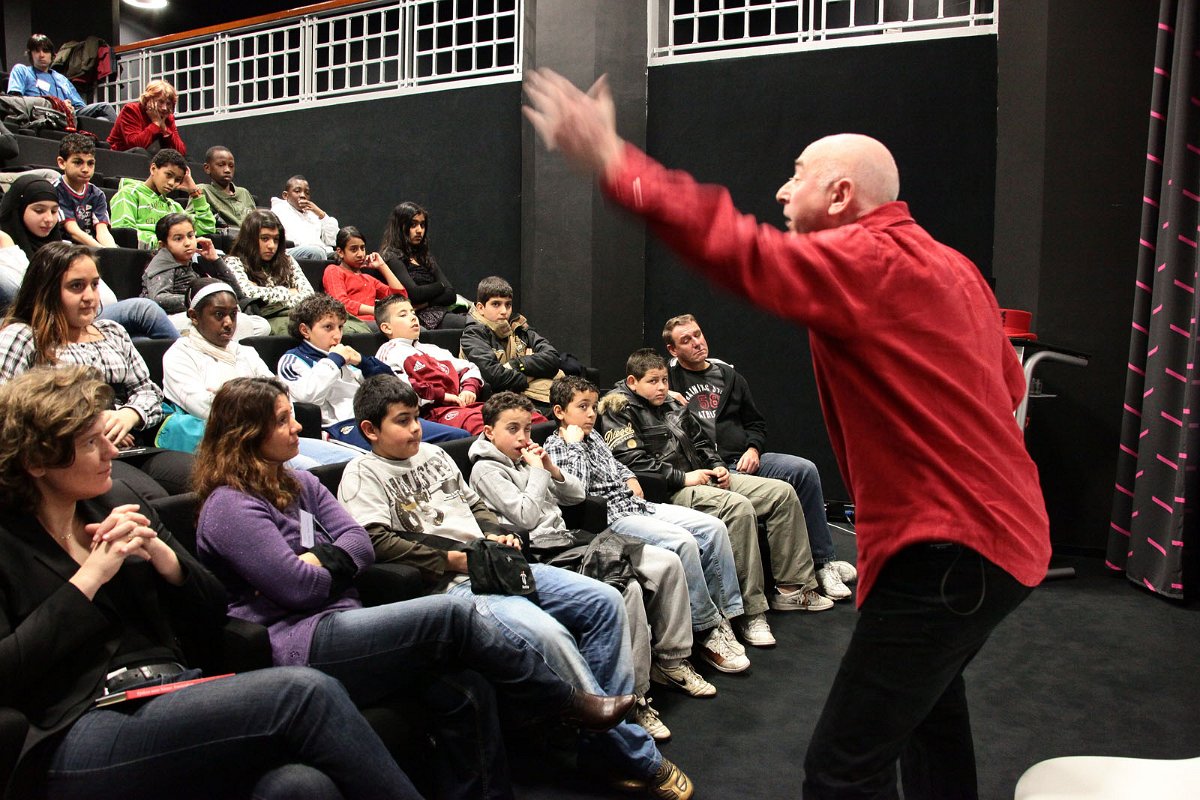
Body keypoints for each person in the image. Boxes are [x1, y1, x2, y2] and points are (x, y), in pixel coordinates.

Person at [522, 68, 1051, 799]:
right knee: (927, 716)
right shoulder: (952, 265)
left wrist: (617, 162)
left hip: (948, 553)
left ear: (840, 196)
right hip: (1006, 539)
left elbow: (741, 251)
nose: (780, 190)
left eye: (795, 175)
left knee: (841, 772)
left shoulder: (865, 259)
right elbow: (1010, 387)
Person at [192, 375, 635, 800]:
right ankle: (561, 699)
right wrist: (333, 561)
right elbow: (299, 590)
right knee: (453, 614)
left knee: (467, 689)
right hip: (300, 638)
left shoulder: (301, 481)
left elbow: (359, 544)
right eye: (284, 419)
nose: (297, 426)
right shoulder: (230, 505)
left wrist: (324, 560)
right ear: (247, 432)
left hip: (350, 618)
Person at [0, 365, 423, 800]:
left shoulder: (118, 501)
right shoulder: (7, 542)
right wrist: (88, 578)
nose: (112, 450)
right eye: (91, 442)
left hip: (171, 687)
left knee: (300, 786)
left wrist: (166, 559)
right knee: (304, 692)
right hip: (76, 726)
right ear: (35, 460)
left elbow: (212, 609)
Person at [338, 374, 693, 798]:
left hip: (496, 563)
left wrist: (493, 532)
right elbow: (374, 541)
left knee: (605, 600)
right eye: (402, 421)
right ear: (370, 430)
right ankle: (633, 755)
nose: (415, 428)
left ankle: (599, 745)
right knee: (551, 634)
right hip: (451, 587)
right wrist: (451, 558)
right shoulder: (362, 472)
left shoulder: (435, 454)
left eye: (416, 417)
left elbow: (475, 506)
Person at [469, 390, 696, 741]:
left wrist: (548, 466)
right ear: (489, 432)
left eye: (528, 430)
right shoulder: (485, 469)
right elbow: (526, 518)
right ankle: (636, 697)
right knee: (627, 588)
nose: (523, 438)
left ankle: (673, 659)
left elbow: (575, 495)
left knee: (665, 562)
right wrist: (536, 473)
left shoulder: (526, 460)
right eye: (512, 429)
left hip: (570, 540)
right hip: (541, 552)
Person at [598, 349, 833, 648]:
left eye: (664, 379)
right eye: (652, 381)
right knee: (738, 508)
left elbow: (700, 441)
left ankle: (791, 589)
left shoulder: (672, 402)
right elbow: (633, 461)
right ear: (633, 382)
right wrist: (682, 477)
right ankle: (751, 612)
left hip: (704, 476)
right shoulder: (617, 410)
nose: (661, 387)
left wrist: (715, 464)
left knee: (781, 493)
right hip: (672, 490)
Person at [544, 375, 748, 683]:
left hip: (638, 506)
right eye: (582, 407)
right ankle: (707, 628)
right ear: (560, 412)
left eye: (593, 407)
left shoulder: (594, 437)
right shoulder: (557, 445)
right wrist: (573, 445)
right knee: (683, 542)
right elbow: (577, 490)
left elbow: (615, 464)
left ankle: (727, 618)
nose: (590, 415)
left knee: (714, 527)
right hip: (614, 519)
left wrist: (630, 476)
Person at [664, 313, 858, 600]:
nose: (697, 343)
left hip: (740, 457)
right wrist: (665, 393)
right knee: (775, 492)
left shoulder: (730, 377)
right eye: (686, 340)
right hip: (706, 469)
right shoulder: (666, 380)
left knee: (803, 470)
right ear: (673, 349)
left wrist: (753, 449)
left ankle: (823, 563)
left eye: (698, 334)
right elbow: (631, 390)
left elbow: (755, 424)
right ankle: (791, 582)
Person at [0, 242, 190, 491]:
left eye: (94, 284)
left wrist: (128, 415)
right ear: (46, 290)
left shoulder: (113, 332)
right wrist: (90, 424)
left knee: (208, 478)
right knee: (144, 497)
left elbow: (149, 392)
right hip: (72, 453)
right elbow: (7, 409)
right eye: (76, 286)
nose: (90, 296)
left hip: (133, 443)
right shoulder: (23, 336)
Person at [160, 278, 361, 467]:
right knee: (312, 468)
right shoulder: (178, 355)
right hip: (228, 445)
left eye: (233, 314)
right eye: (219, 314)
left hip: (272, 434)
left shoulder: (245, 352)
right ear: (194, 316)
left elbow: (281, 393)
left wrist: (230, 395)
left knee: (354, 462)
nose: (229, 322)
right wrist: (262, 403)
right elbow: (207, 409)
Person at [278, 293, 468, 450]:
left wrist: (363, 362)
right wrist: (333, 361)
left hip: (380, 417)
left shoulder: (348, 356)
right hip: (341, 426)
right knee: (402, 450)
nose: (337, 335)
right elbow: (307, 397)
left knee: (459, 438)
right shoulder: (292, 360)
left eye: (340, 327)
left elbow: (392, 385)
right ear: (305, 330)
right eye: (328, 327)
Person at [0, 176, 177, 338]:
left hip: (89, 315)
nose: (48, 219)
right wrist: (7, 245)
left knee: (141, 331)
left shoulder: (66, 248)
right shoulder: (6, 252)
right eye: (39, 211)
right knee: (144, 309)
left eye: (54, 212)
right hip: (47, 320)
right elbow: (24, 294)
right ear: (18, 210)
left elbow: (107, 299)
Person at [376, 294, 529, 435]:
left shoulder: (433, 349)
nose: (412, 318)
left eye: (413, 313)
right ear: (386, 327)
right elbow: (399, 389)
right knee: (488, 426)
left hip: (463, 404)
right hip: (433, 412)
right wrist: (443, 396)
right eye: (403, 315)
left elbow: (469, 368)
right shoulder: (389, 352)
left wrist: (469, 389)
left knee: (524, 416)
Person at [142, 212, 270, 339]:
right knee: (242, 323)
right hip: (174, 318)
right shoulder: (162, 264)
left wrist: (215, 260)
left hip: (203, 313)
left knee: (262, 326)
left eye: (190, 236)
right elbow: (158, 299)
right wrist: (203, 301)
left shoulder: (196, 263)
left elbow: (237, 293)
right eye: (178, 238)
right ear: (163, 245)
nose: (187, 243)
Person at [460, 275, 564, 412]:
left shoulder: (519, 327)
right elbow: (495, 378)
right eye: (496, 304)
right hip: (500, 404)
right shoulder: (473, 334)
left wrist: (516, 364)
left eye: (508, 304)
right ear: (480, 308)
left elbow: (553, 358)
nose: (504, 311)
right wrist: (532, 373)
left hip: (531, 396)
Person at [223, 209, 317, 334]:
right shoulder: (234, 262)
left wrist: (269, 295)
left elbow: (309, 295)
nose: (272, 245)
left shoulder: (287, 260)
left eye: (276, 240)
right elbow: (249, 294)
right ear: (250, 239)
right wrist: (289, 292)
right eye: (265, 238)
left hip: (296, 317)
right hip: (265, 320)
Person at [379, 201, 469, 329]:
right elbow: (414, 294)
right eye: (413, 225)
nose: (419, 230)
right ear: (400, 227)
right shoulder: (391, 256)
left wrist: (426, 302)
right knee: (467, 325)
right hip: (415, 317)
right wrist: (440, 286)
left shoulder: (424, 257)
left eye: (422, 225)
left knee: (476, 323)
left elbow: (450, 295)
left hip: (437, 310)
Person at [109, 147, 216, 248]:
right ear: (153, 168)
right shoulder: (129, 194)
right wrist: (167, 245)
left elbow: (207, 228)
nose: (171, 183)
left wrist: (194, 192)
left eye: (178, 179)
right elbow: (124, 235)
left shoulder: (174, 206)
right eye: (168, 175)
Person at [6, 33, 117, 121]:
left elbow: (79, 106)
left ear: (52, 55)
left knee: (104, 112)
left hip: (68, 115)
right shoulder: (22, 70)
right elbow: (15, 101)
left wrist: (70, 107)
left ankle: (117, 145)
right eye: (37, 51)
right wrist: (58, 105)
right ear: (30, 54)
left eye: (45, 51)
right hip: (40, 113)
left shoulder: (61, 79)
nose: (41, 55)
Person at [323, 226, 407, 327]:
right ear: (340, 252)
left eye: (362, 248)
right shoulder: (333, 270)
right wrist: (376, 311)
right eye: (354, 249)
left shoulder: (368, 278)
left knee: (417, 329)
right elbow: (340, 304)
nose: (360, 254)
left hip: (376, 323)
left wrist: (382, 266)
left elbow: (400, 298)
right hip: (353, 323)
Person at [55, 133, 117, 249]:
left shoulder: (97, 194)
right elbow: (72, 230)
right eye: (78, 162)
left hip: (91, 247)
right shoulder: (56, 189)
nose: (85, 169)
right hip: (65, 247)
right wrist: (102, 251)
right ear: (62, 163)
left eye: (90, 163)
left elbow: (102, 230)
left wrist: (112, 252)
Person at [107, 79, 186, 154]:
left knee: (186, 159)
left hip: (148, 156)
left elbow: (181, 151)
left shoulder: (168, 118)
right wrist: (155, 123)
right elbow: (135, 146)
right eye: (160, 102)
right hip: (119, 155)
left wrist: (164, 127)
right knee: (140, 152)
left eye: (168, 104)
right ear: (149, 100)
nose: (164, 108)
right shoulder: (131, 110)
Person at [269, 175, 337, 261]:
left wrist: (321, 214)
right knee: (316, 252)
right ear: (285, 195)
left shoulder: (312, 214)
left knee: (346, 255)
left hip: (320, 251)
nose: (303, 195)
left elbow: (332, 241)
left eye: (307, 193)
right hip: (288, 251)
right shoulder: (279, 210)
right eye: (297, 191)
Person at [199, 145, 257, 231]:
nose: (227, 170)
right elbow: (191, 223)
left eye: (231, 166)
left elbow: (256, 222)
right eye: (221, 165)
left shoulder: (244, 193)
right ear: (207, 168)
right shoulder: (203, 190)